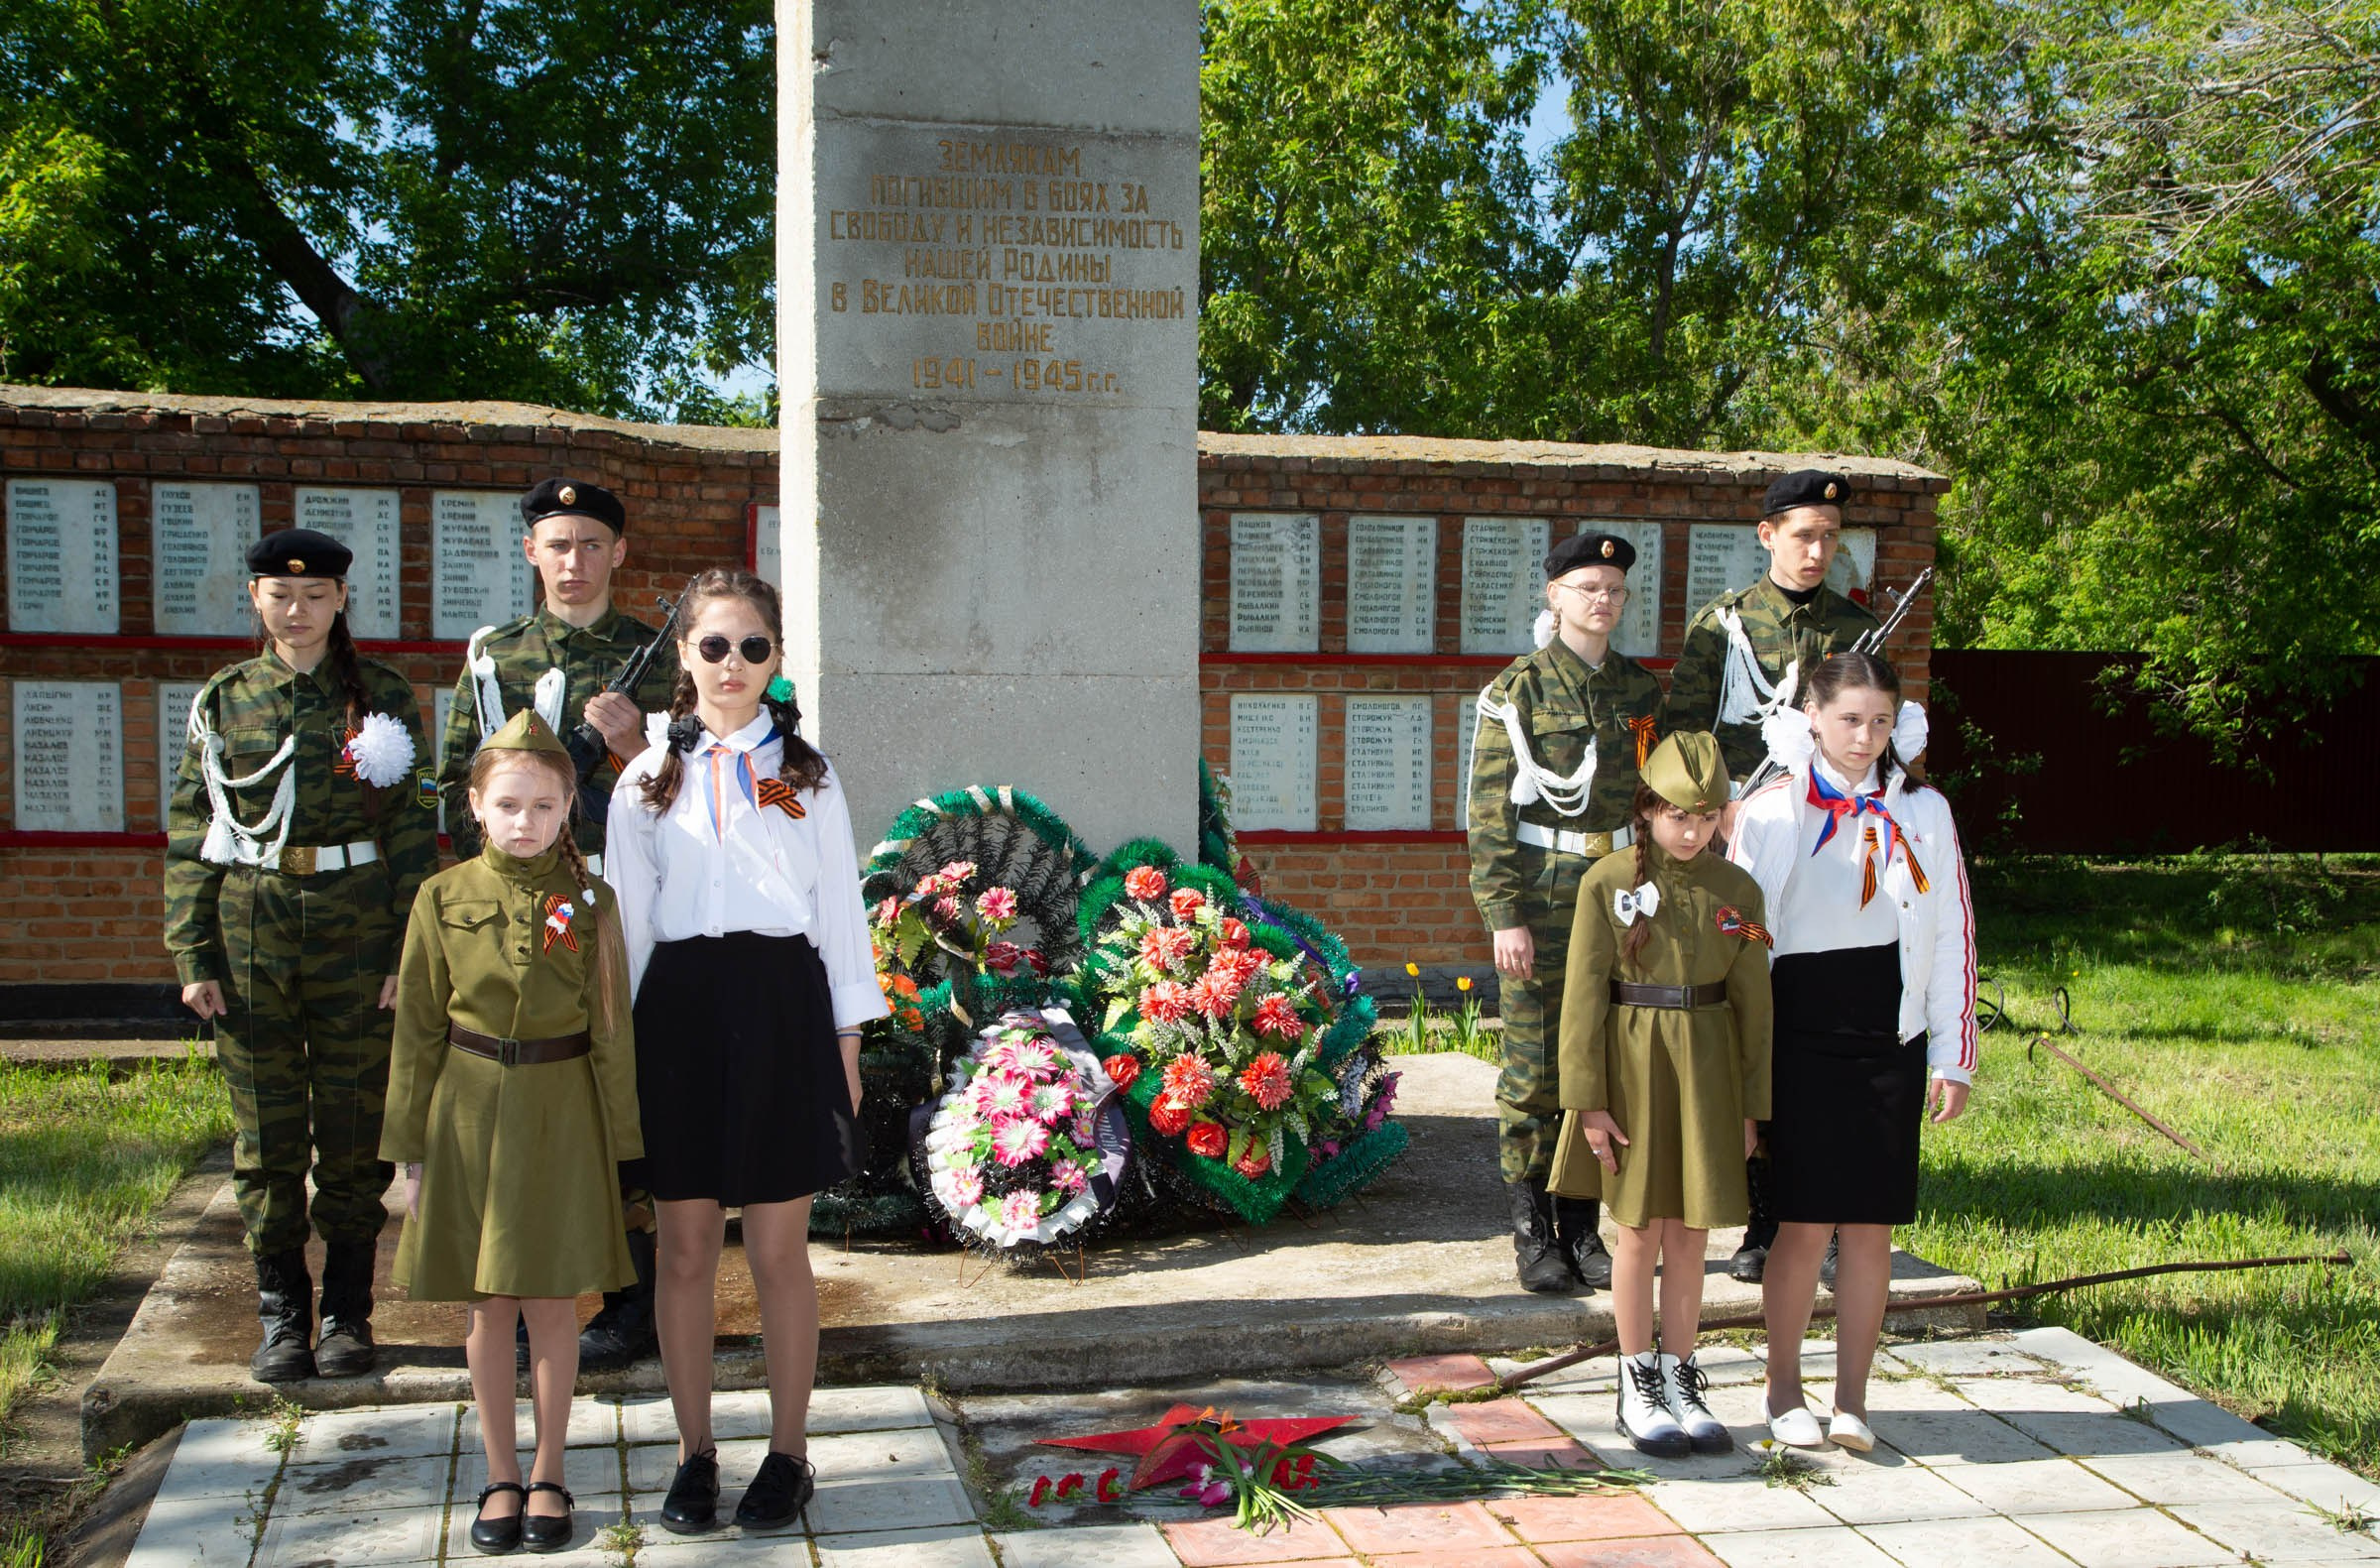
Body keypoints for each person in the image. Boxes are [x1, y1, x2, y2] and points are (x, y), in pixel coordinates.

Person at [606, 568, 887, 1533]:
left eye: (753, 648)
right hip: (676, 1013)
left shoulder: (808, 773)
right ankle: (692, 1456)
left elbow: (840, 915)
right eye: (714, 646)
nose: (733, 665)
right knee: (684, 1248)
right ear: (684, 656)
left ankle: (787, 1454)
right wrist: (619, 1060)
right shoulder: (645, 780)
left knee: (777, 1248)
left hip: (783, 1010)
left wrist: (847, 1037)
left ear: (775, 661)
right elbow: (629, 931)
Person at [164, 528, 439, 1382]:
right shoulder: (224, 700)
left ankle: (349, 1315)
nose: (297, 610)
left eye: (315, 595)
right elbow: (190, 832)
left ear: (341, 599)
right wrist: (192, 952)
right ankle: (284, 1315)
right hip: (255, 928)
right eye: (280, 596)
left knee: (356, 1129)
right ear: (255, 598)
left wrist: (405, 951)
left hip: (358, 927)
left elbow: (408, 834)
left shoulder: (382, 694)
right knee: (267, 1132)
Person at [381, 710, 641, 1554]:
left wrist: (623, 1152)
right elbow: (417, 1028)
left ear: (570, 808)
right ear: (476, 807)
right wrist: (409, 1152)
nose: (523, 821)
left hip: (562, 1112)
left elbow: (611, 1028)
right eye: (507, 804)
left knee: (554, 1300)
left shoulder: (591, 901)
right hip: (469, 1112)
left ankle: (552, 1471)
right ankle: (499, 1471)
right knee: (488, 1300)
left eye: (542, 805)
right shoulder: (442, 898)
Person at [438, 478, 677, 1373]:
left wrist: (628, 750)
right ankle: (529, 1283)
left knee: (617, 1080)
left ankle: (629, 1298)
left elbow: (692, 796)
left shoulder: (665, 661)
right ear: (532, 553)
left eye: (589, 543)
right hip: (520, 903)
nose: (573, 561)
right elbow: (462, 786)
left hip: (622, 891)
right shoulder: (494, 655)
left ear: (618, 553)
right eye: (557, 544)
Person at [1727, 651, 1975, 1452]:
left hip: (1887, 1032)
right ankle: (1783, 1387)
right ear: (1812, 716)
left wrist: (1951, 1051)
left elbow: (1949, 936)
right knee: (1804, 1221)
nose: (1864, 737)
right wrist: (1741, 1072)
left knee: (1872, 1225)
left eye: (1878, 720)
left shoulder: (1924, 812)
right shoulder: (1772, 811)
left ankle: (1854, 1398)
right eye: (1848, 719)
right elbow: (1739, 938)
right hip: (1801, 1033)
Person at [1661, 468, 1879, 1284]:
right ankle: (1759, 1219)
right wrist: (1704, 824)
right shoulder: (1723, 628)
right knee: (1753, 1024)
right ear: (1768, 534)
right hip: (1748, 848)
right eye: (1804, 534)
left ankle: (1812, 1219)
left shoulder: (1859, 628)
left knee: (1823, 1032)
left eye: (1831, 536)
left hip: (1833, 859)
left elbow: (1877, 740)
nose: (1819, 549)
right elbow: (1686, 742)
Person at [1553, 732, 1772, 1457]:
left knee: (1692, 1234)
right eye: (1677, 813)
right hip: (1634, 1070)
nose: (1692, 830)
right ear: (1646, 808)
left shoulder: (1741, 893)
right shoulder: (1605, 880)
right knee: (1640, 1231)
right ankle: (1635, 1378)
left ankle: (1682, 1373)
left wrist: (1750, 1106)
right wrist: (1587, 1099)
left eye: (1707, 816)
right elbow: (1583, 995)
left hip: (1707, 1070)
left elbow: (1754, 1001)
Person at [1468, 531, 1662, 1294]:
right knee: (1534, 1065)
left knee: (1604, 1060)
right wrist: (1502, 914)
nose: (1603, 600)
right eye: (1588, 587)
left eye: (1614, 588)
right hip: (1543, 898)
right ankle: (1531, 1231)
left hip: (1618, 896)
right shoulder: (1515, 692)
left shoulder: (1643, 694)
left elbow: (1655, 804)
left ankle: (1582, 1227)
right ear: (1554, 595)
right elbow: (1486, 813)